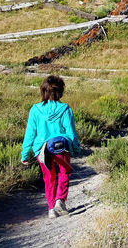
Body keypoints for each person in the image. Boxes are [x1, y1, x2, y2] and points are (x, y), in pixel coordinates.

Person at [21, 75, 81, 219]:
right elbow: (71, 132)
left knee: (49, 178)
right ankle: (60, 200)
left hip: (42, 149)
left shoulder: (35, 109)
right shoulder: (65, 109)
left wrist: (25, 154)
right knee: (65, 172)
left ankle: (51, 209)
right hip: (62, 147)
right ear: (60, 91)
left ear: (44, 91)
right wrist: (75, 148)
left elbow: (30, 133)